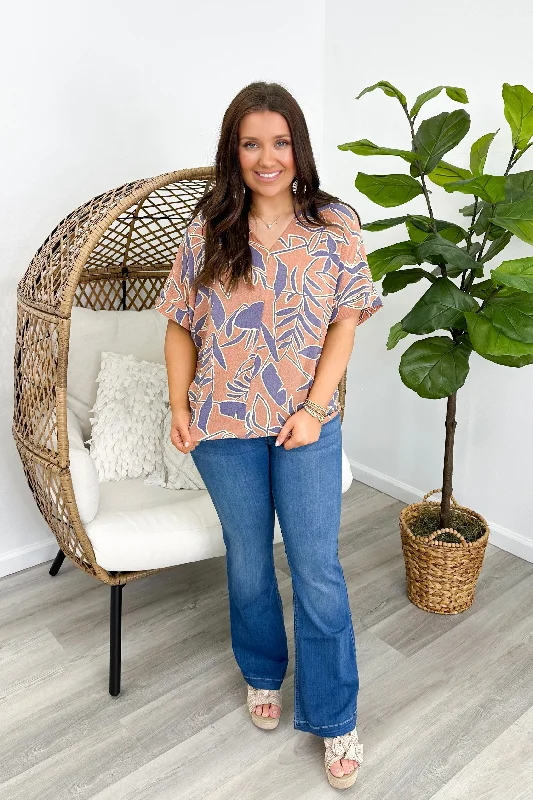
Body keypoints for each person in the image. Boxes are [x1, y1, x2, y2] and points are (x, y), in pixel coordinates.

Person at [155, 80, 383, 790]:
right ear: (233, 149)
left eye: (278, 142)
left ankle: (334, 716)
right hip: (222, 424)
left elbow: (345, 322)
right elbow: (178, 323)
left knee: (316, 569)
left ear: (297, 147)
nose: (266, 157)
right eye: (250, 143)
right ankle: (261, 672)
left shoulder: (335, 225)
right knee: (249, 560)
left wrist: (314, 409)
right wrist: (177, 406)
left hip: (305, 425)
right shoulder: (209, 228)